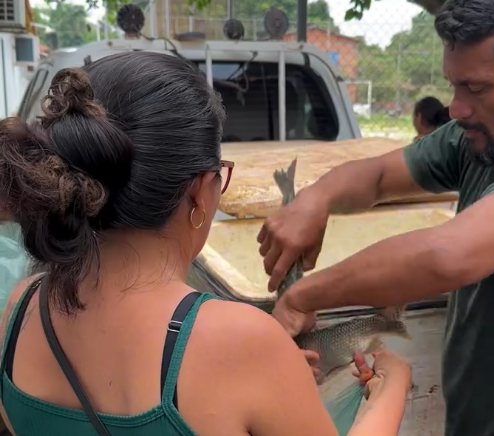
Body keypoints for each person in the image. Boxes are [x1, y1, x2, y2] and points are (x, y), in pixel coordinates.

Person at [0, 52, 411, 436]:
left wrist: (273, 381)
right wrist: (391, 392)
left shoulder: (20, 308)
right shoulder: (240, 341)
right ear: (199, 194)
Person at [257, 0, 494, 435]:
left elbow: (446, 255)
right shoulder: (482, 137)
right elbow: (380, 176)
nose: (456, 108)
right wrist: (315, 199)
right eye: (453, 85)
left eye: (476, 89)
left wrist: (301, 297)